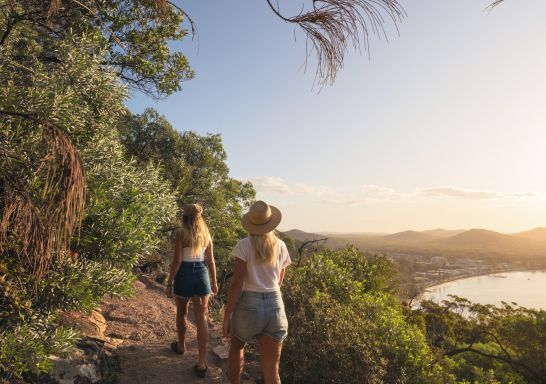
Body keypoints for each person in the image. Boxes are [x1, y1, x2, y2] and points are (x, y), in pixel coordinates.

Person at [223, 201, 291, 384]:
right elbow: (279, 281)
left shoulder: (243, 245)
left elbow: (237, 283)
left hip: (249, 304)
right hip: (275, 305)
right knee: (272, 370)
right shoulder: (281, 246)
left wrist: (227, 315)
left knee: (237, 345)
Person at [165, 203, 218, 378]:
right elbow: (210, 261)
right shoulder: (206, 234)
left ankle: (181, 346)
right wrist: (214, 283)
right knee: (202, 317)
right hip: (202, 275)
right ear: (199, 217)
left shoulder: (181, 233)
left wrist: (169, 282)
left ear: (184, 217)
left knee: (182, 311)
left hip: (184, 274)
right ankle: (202, 364)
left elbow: (177, 261)